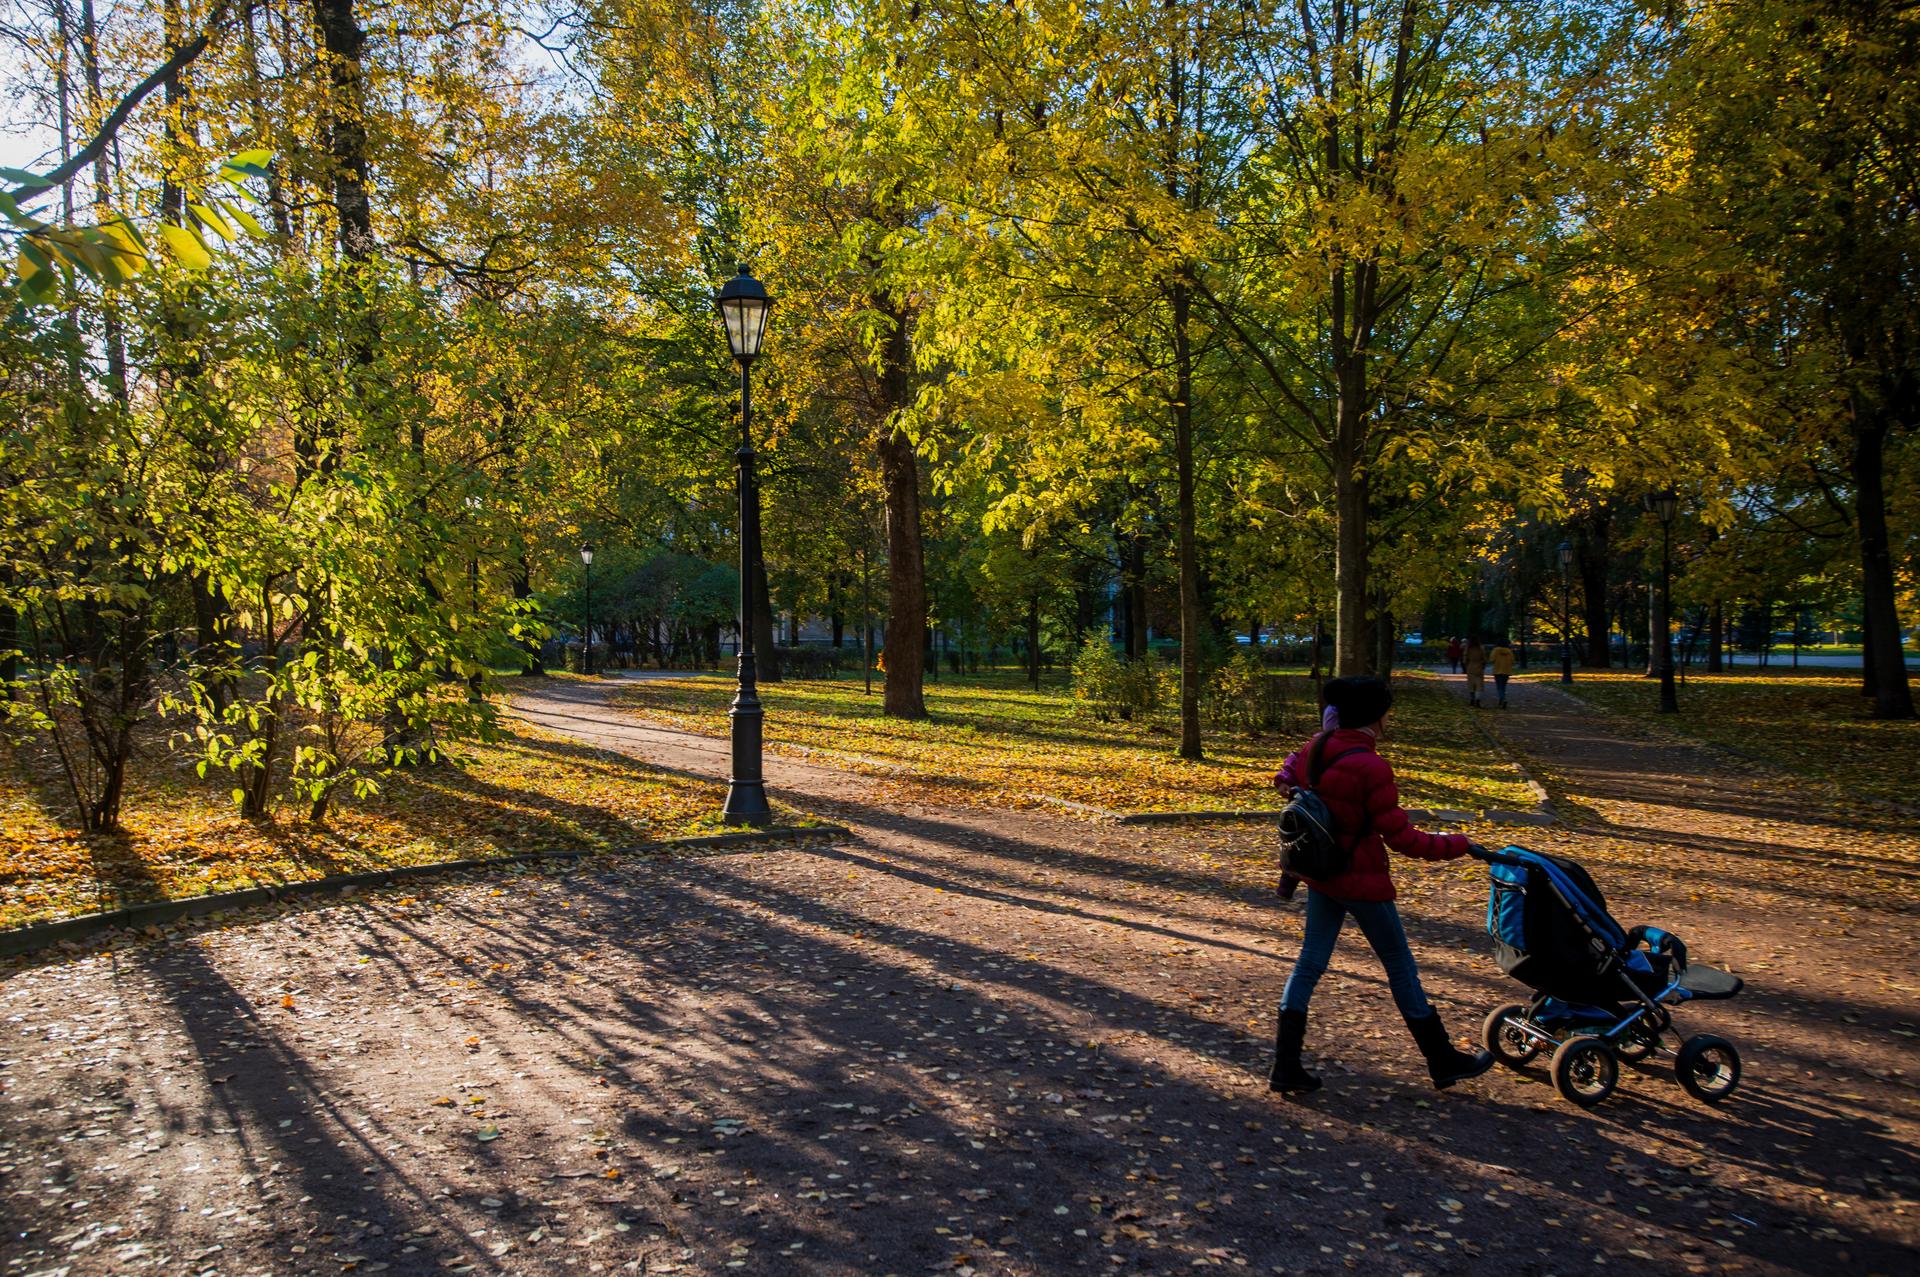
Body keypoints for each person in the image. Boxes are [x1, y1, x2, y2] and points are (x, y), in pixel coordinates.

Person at [1269, 676, 1494, 1094]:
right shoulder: (1372, 766)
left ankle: (1285, 1065)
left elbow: (1288, 775)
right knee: (1400, 966)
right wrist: (1461, 844)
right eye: (1387, 711)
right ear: (1376, 716)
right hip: (1362, 880)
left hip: (1322, 873)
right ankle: (1441, 1059)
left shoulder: (1315, 747)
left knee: (1309, 963)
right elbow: (1404, 839)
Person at [1489, 638, 1516, 709]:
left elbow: (1491, 659)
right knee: (1503, 686)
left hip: (1497, 671)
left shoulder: (1495, 650)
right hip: (1506, 671)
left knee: (1499, 687)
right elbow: (1513, 661)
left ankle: (1503, 699)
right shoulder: (1509, 651)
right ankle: (1502, 699)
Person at [1462, 638, 1487, 707]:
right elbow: (1484, 659)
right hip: (1479, 667)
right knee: (1479, 685)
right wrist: (1483, 665)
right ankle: (1478, 699)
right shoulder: (1481, 648)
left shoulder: (1468, 648)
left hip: (1470, 667)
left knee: (1471, 684)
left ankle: (1472, 699)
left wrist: (1466, 665)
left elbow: (1464, 659)